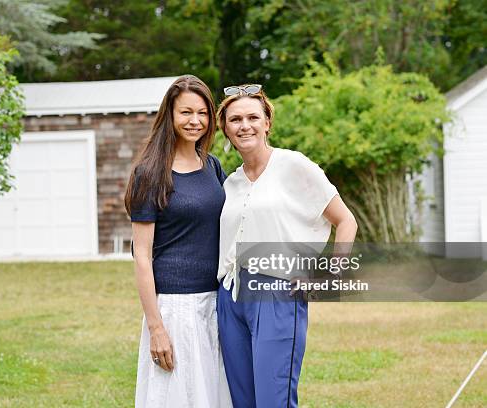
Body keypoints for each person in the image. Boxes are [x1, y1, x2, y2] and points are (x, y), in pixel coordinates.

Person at [215, 84, 358, 407]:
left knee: (273, 399)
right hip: (230, 296)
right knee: (243, 400)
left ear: (267, 123)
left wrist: (329, 277)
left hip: (277, 293)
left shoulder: (294, 165)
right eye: (235, 119)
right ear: (225, 127)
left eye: (253, 116)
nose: (244, 125)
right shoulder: (231, 182)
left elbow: (346, 221)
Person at [125, 75, 232, 407]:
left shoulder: (212, 167)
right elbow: (141, 256)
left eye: (202, 113)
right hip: (175, 309)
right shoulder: (150, 173)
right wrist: (157, 327)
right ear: (169, 114)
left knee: (213, 396)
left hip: (215, 303)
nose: (195, 121)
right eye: (186, 112)